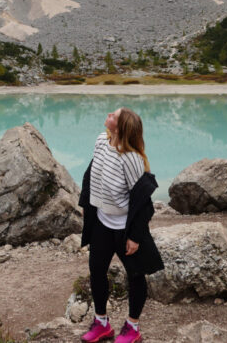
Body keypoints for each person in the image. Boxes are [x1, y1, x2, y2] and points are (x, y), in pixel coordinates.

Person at [78, 107, 164, 343]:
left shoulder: (131, 159)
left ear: (121, 127)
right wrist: (87, 204)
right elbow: (91, 174)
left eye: (113, 115)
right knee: (96, 270)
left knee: (136, 275)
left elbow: (142, 200)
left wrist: (135, 237)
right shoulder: (101, 141)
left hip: (126, 227)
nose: (108, 115)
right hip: (102, 223)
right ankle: (102, 323)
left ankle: (132, 327)